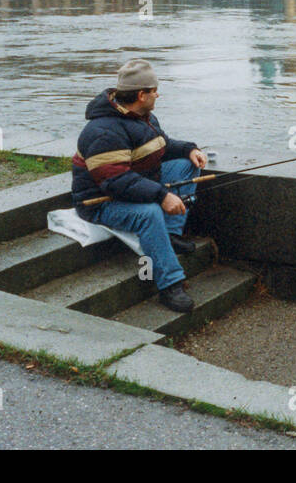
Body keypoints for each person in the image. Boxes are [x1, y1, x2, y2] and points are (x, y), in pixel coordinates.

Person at [71, 59, 207, 312]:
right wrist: (161, 195)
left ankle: (170, 235)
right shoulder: (103, 131)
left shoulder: (144, 116)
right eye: (154, 90)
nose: (158, 94)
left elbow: (162, 146)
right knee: (150, 212)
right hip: (102, 201)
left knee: (187, 166)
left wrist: (189, 149)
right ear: (142, 95)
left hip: (137, 181)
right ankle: (170, 285)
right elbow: (115, 181)